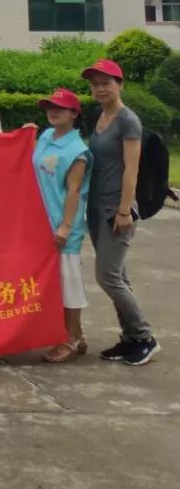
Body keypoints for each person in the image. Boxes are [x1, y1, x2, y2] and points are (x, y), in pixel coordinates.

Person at [82, 58, 159, 366]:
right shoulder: (99, 115)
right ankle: (130, 340)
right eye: (95, 84)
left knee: (108, 276)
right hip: (96, 206)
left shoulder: (128, 120)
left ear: (120, 85)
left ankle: (144, 336)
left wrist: (125, 210)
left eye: (106, 83)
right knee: (118, 276)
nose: (100, 88)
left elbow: (131, 168)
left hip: (117, 208)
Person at [33, 87, 92, 364]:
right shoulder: (46, 137)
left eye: (60, 108)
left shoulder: (77, 151)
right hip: (41, 223)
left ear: (74, 113)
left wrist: (66, 227)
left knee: (68, 284)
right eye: (49, 107)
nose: (53, 112)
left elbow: (74, 191)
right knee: (53, 283)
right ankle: (77, 334)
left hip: (62, 226)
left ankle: (69, 339)